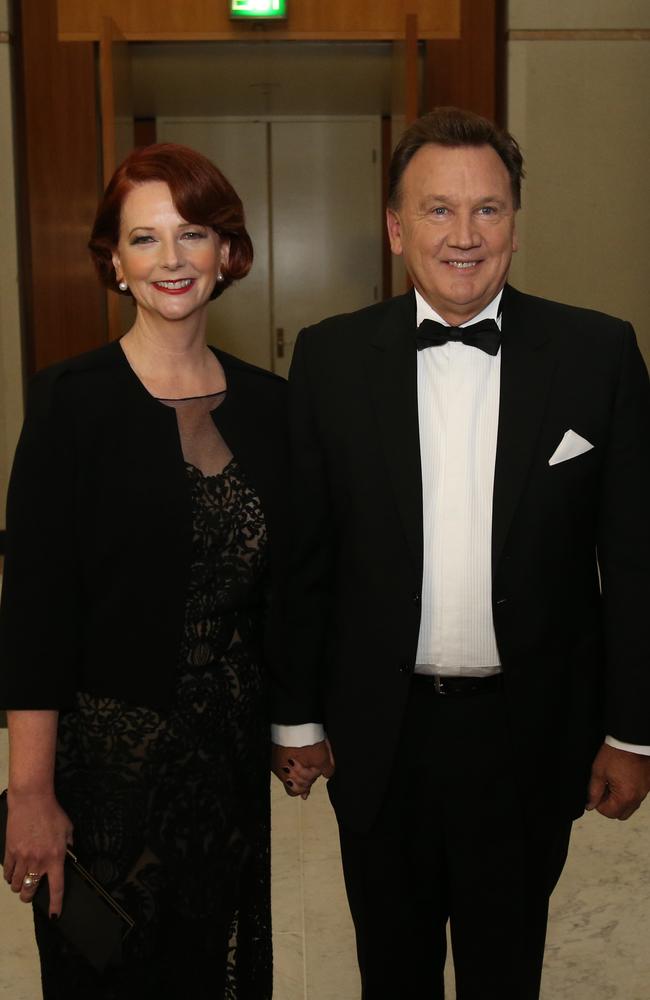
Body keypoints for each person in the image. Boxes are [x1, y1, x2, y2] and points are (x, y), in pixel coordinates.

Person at [271, 107, 650, 998]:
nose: (465, 235)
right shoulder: (329, 361)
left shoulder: (598, 354)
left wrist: (632, 732)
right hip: (378, 734)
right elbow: (304, 558)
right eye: (438, 211)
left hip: (529, 735)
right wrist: (296, 718)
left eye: (488, 209)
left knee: (504, 972)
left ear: (517, 221)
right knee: (390, 975)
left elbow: (634, 560)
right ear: (398, 227)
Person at [0, 142, 287, 999]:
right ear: (114, 262)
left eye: (192, 234)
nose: (172, 259)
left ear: (227, 254)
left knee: (219, 977)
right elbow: (35, 617)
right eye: (145, 238)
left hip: (229, 772)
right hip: (108, 780)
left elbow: (297, 584)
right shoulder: (68, 403)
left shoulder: (273, 406)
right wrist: (30, 793)